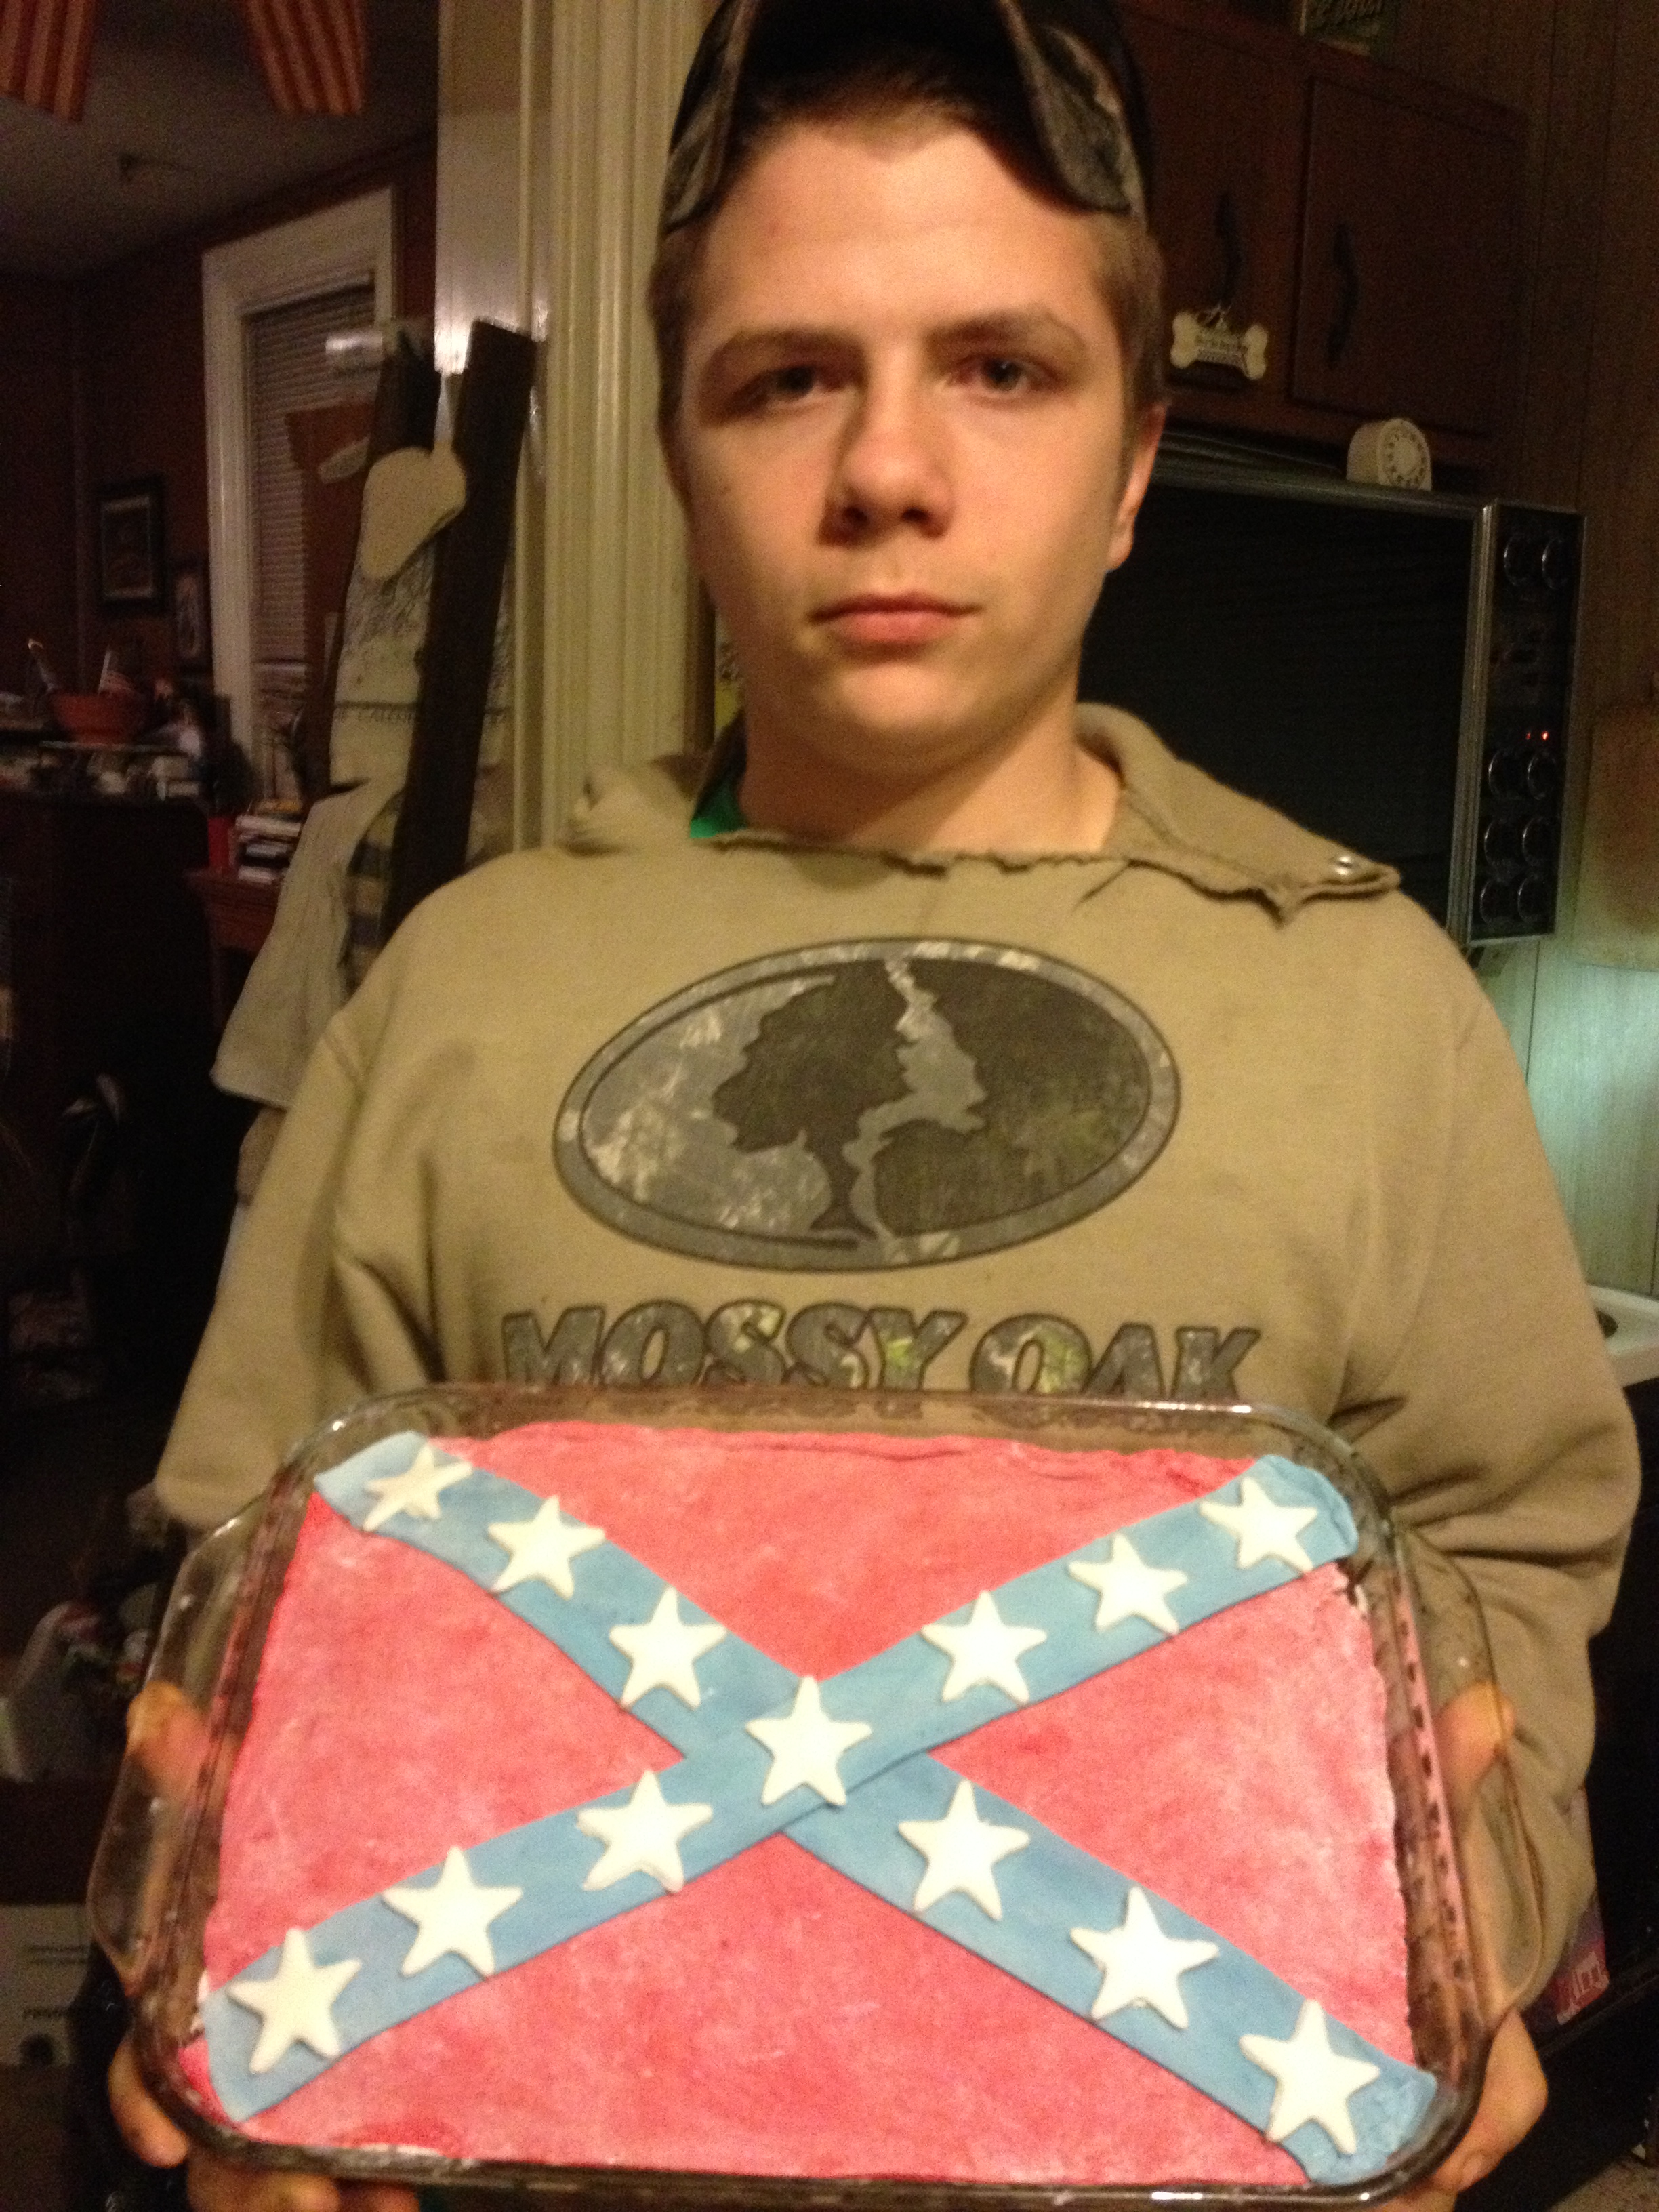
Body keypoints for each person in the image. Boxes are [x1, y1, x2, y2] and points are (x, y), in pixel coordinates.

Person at [111, 2, 1637, 2207]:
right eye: (787, 378)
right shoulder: (458, 990)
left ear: (1134, 462)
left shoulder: (1370, 1001)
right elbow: (262, 1574)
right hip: (550, 2121)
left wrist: (1456, 1933)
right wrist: (229, 1964)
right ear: (680, 454)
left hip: (1173, 2128)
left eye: (1002, 368)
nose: (890, 472)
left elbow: (1505, 1551)